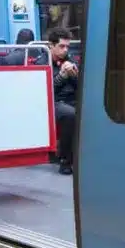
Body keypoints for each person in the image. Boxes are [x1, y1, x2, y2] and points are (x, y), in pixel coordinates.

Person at [47, 28, 79, 174]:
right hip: (54, 101)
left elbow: (79, 87)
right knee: (70, 114)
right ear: (51, 46)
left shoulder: (70, 60)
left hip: (72, 99)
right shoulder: (43, 62)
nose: (65, 50)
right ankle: (65, 160)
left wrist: (74, 76)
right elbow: (47, 91)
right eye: (61, 46)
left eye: (67, 46)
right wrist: (62, 76)